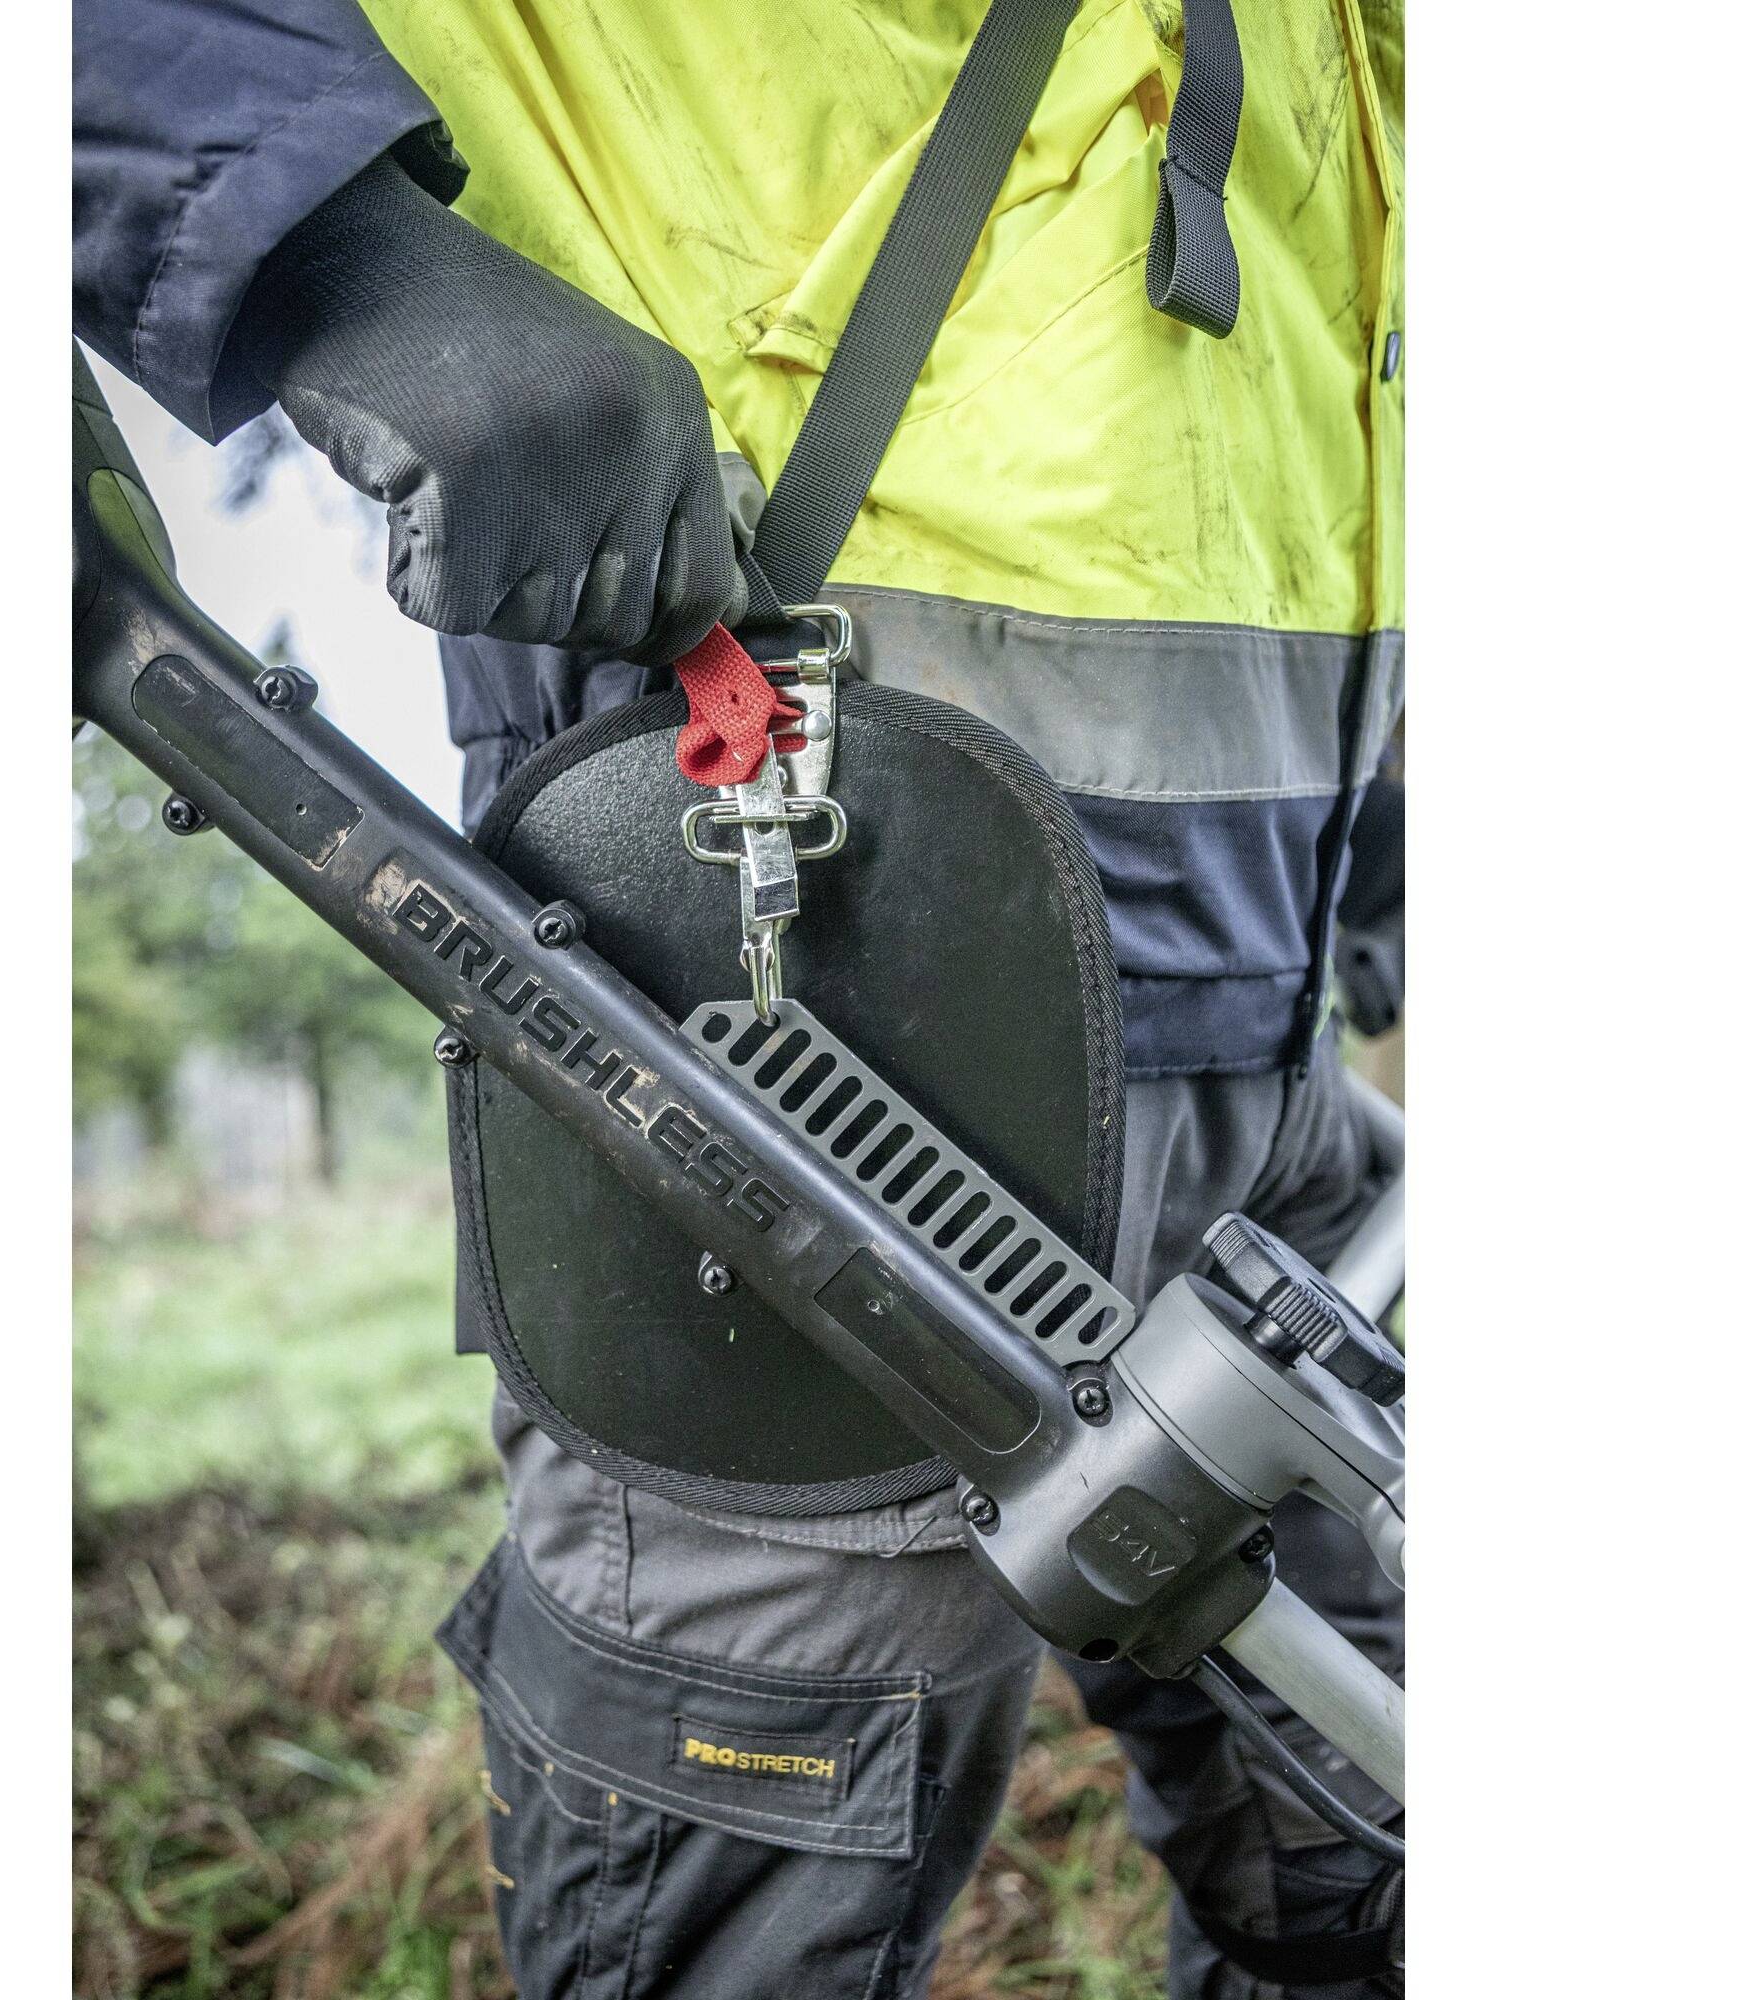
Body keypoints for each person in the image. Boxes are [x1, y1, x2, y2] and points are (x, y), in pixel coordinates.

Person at [75, 2, 1406, 1992]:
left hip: (1274, 1045)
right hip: (784, 1041)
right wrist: (323, 250)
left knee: (1363, 1874)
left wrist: (1362, 833)